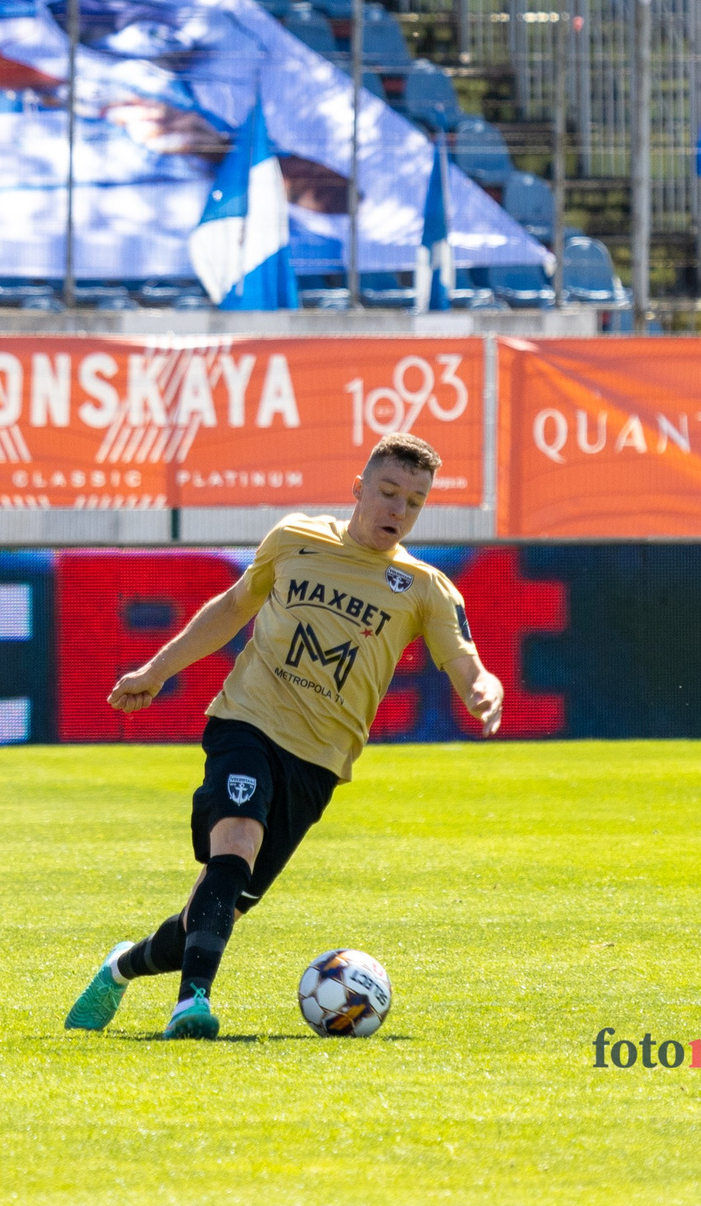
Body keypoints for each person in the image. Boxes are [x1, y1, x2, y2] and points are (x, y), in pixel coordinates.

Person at [63, 432, 506, 1039]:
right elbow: (232, 607)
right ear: (359, 489)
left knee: (219, 906)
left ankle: (121, 966)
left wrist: (483, 688)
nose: (398, 510)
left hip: (317, 763)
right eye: (388, 492)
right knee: (236, 843)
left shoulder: (425, 587)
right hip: (247, 721)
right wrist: (156, 671)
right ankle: (192, 1003)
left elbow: (464, 660)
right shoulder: (296, 537)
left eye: (414, 501)